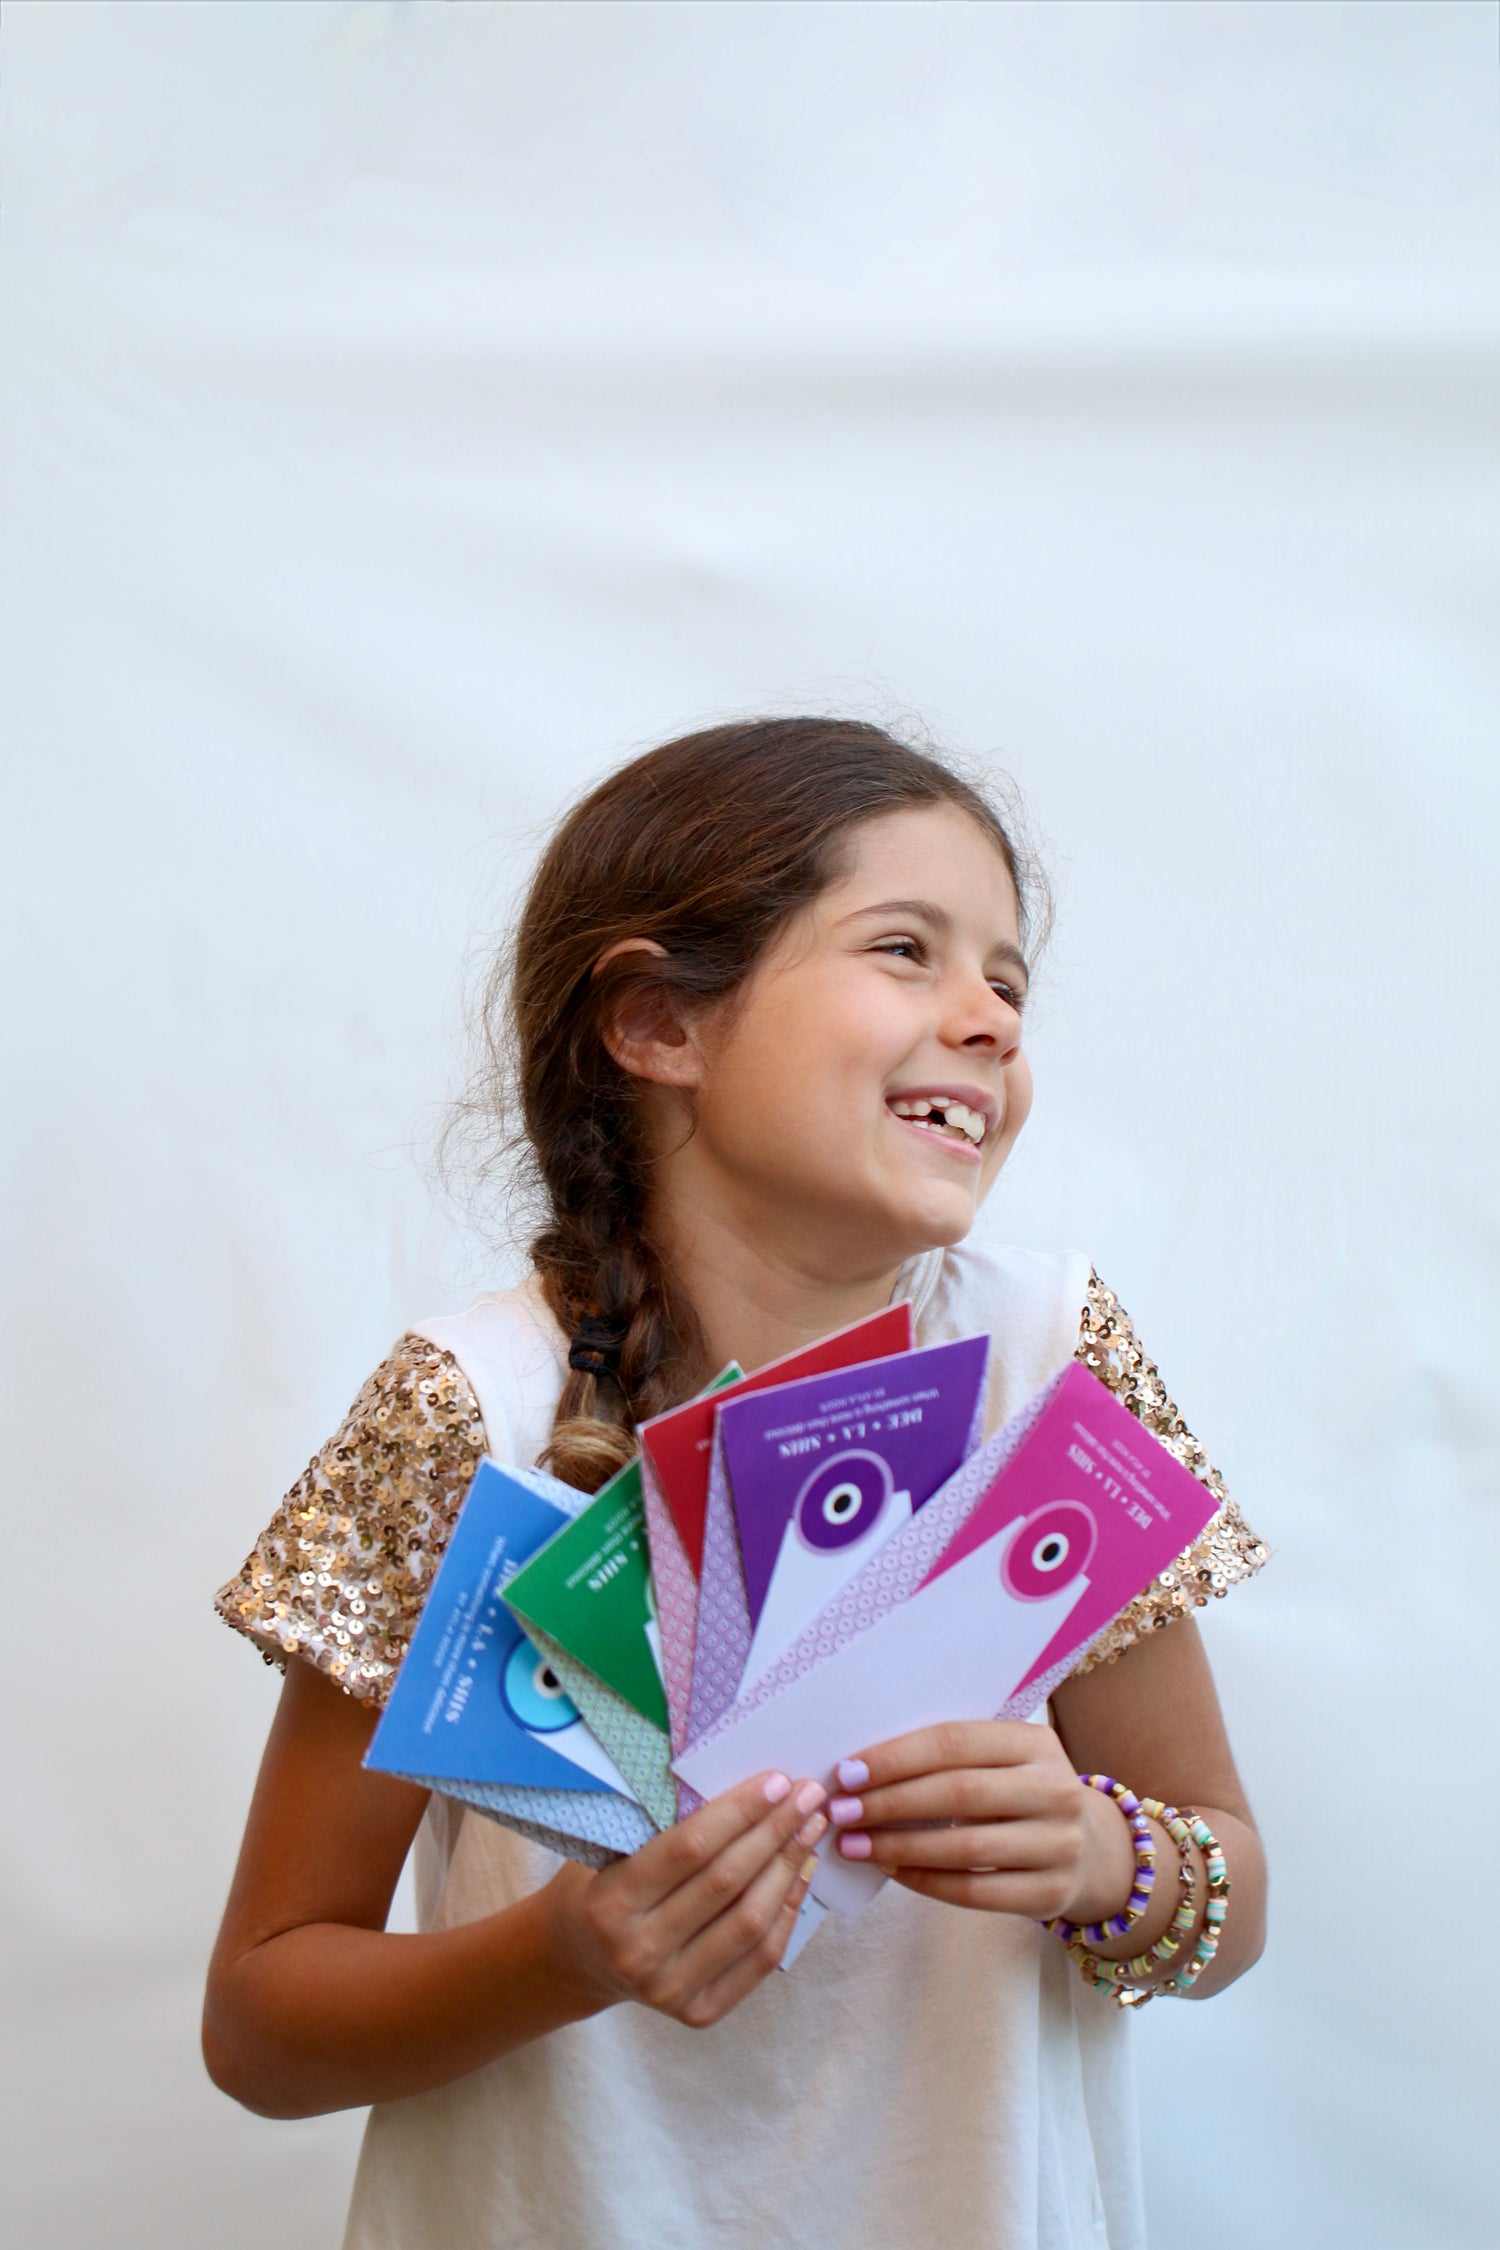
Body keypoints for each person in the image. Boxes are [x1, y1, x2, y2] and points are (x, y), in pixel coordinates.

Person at [206, 718, 1269, 2249]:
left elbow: (1229, 1887)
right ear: (657, 1022)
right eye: (907, 949)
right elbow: (260, 2022)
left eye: (1010, 979)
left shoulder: (1049, 1366)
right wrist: (564, 1952)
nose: (990, 1020)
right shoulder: (482, 1409)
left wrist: (1115, 1856)